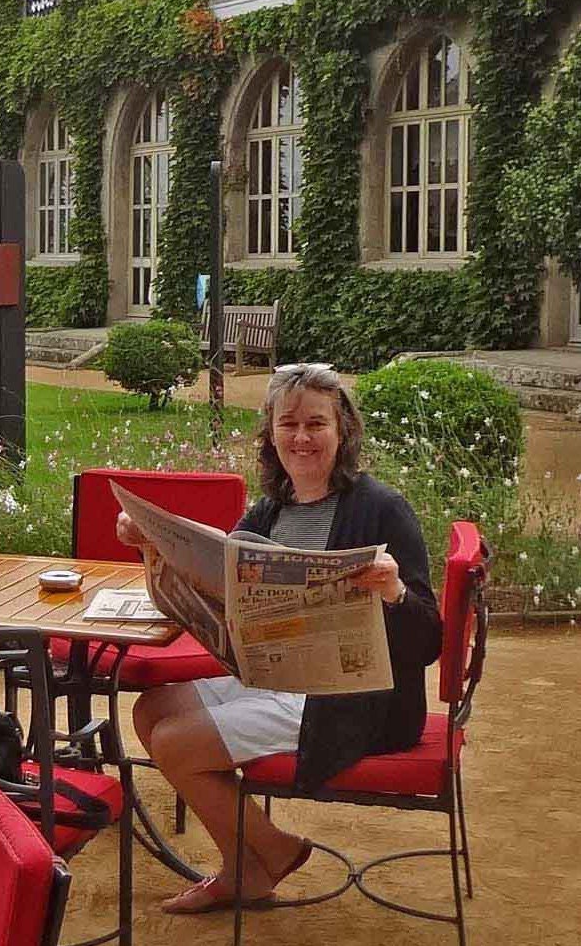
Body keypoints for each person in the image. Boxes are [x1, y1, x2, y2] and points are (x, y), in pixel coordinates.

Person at [119, 362, 443, 914]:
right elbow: (221, 591)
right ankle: (250, 861)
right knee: (151, 711)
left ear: (343, 431)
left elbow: (429, 640)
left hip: (354, 701)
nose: (301, 437)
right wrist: (153, 546)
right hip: (276, 679)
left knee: (174, 742)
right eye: (287, 423)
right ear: (270, 432)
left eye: (316, 424)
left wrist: (393, 593)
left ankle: (264, 853)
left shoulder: (383, 509)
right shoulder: (271, 510)